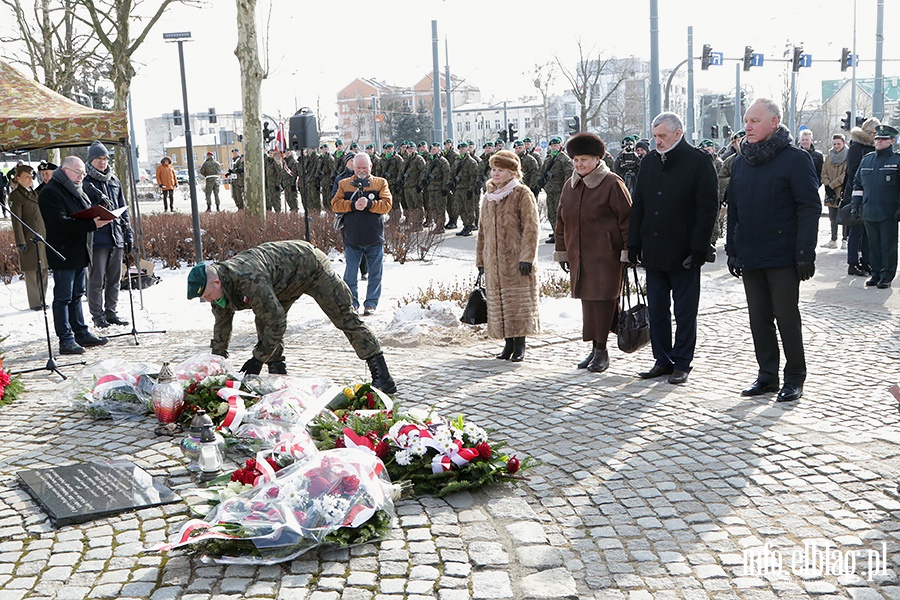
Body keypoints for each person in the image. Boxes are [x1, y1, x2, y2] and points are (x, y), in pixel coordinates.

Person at [186, 240, 396, 393]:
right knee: (263, 319)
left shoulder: (248, 278)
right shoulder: (219, 292)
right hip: (284, 282)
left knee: (345, 317)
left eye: (207, 295)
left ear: (216, 283)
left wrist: (257, 359)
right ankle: (279, 377)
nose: (208, 300)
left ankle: (382, 375)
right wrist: (216, 364)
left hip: (312, 267)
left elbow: (277, 322)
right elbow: (222, 327)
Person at [726, 98, 820, 403]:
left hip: (783, 254)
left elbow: (809, 206)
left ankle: (795, 377)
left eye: (754, 120)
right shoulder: (741, 161)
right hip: (751, 253)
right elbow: (735, 209)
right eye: (746, 120)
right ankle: (767, 376)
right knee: (758, 318)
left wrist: (805, 253)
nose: (748, 126)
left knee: (786, 316)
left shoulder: (794, 158)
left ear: (774, 122)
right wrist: (732, 249)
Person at [628, 112, 718, 385]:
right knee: (657, 310)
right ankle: (662, 359)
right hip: (654, 250)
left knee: (685, 311)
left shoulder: (699, 162)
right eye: (655, 136)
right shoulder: (650, 162)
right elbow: (639, 204)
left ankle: (682, 363)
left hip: (684, 252)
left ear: (678, 133)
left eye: (663, 136)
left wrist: (699, 249)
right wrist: (633, 243)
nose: (658, 142)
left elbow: (707, 209)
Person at [553, 133, 632, 373]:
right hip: (580, 255)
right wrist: (562, 251)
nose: (579, 165)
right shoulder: (570, 185)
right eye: (576, 160)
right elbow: (561, 220)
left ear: (598, 159)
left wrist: (629, 251)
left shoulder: (611, 183)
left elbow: (628, 219)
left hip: (606, 255)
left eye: (584, 159)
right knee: (588, 303)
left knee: (604, 301)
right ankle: (595, 348)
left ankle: (602, 351)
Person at [38, 156, 111, 355]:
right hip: (63, 252)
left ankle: (80, 332)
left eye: (83, 173)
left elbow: (81, 213)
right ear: (64, 170)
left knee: (77, 295)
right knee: (63, 297)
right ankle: (66, 339)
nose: (81, 177)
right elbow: (59, 223)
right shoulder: (50, 191)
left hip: (79, 251)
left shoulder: (75, 188)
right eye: (77, 173)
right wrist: (91, 224)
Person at [475, 150, 540, 362]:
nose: (495, 173)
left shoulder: (522, 193)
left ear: (512, 172)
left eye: (500, 170)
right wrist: (481, 260)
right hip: (493, 262)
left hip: (516, 261)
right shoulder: (489, 196)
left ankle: (520, 344)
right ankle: (508, 344)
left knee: (517, 303)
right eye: (493, 169)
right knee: (500, 303)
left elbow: (532, 228)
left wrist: (527, 258)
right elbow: (482, 231)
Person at [331, 153, 392, 316]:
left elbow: (387, 205)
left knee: (375, 274)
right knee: (350, 274)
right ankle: (352, 303)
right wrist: (351, 205)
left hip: (374, 237)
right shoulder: (344, 184)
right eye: (358, 168)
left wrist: (370, 203)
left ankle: (371, 303)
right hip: (352, 238)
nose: (362, 171)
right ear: (353, 167)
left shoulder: (380, 183)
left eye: (365, 167)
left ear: (371, 167)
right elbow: (335, 205)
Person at [83, 140, 133, 329]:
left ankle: (111, 312)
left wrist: (128, 233)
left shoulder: (114, 180)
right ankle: (97, 316)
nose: (102, 162)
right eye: (98, 159)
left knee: (114, 278)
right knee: (96, 279)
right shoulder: (86, 183)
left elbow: (123, 207)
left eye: (104, 158)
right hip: (97, 238)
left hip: (116, 235)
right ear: (91, 161)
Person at [850, 124, 900, 289]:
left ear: (892, 141)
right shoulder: (867, 160)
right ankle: (876, 273)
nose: (879, 141)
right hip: (869, 211)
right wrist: (856, 205)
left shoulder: (896, 161)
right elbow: (857, 184)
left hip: (888, 212)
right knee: (873, 246)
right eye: (877, 138)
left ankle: (887, 276)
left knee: (888, 246)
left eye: (883, 139)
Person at [9, 165, 49, 310]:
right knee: (32, 271)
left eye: (31, 176)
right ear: (18, 178)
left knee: (43, 269)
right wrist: (20, 241)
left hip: (41, 237)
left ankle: (43, 299)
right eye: (26, 176)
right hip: (28, 238)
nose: (30, 179)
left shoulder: (33, 193)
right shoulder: (16, 196)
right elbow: (16, 221)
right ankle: (35, 302)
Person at [843, 117, 878, 274]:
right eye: (876, 132)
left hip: (870, 194)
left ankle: (866, 261)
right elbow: (853, 173)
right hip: (858, 194)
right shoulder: (856, 148)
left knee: (867, 230)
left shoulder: (871, 148)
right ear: (869, 132)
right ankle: (852, 263)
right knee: (856, 231)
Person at [538, 136, 573, 244]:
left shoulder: (564, 158)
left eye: (556, 145)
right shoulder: (548, 158)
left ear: (560, 146)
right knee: (551, 213)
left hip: (560, 190)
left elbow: (569, 173)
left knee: (560, 213)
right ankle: (555, 233)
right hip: (550, 190)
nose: (554, 147)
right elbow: (542, 171)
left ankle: (562, 235)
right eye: (552, 146)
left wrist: (566, 188)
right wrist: (541, 182)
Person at [713, 130, 746, 244]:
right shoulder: (729, 160)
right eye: (738, 141)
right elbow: (721, 178)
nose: (741, 143)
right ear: (734, 143)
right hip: (734, 198)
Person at [820, 134, 848, 250]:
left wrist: (832, 185)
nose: (836, 146)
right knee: (832, 216)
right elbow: (824, 170)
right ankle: (833, 239)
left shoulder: (848, 155)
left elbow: (845, 174)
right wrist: (826, 184)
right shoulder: (829, 155)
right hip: (830, 190)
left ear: (844, 143)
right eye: (834, 144)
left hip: (841, 190)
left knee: (844, 216)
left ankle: (845, 239)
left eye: (838, 144)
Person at [454, 142, 480, 237]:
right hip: (458, 188)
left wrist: (471, 189)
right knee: (460, 208)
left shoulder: (471, 162)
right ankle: (465, 225)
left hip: (467, 188)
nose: (462, 150)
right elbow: (453, 173)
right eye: (460, 149)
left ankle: (469, 226)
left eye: (463, 148)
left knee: (469, 208)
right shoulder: (457, 161)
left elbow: (473, 177)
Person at [424, 142, 451, 233]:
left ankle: (440, 226)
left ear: (439, 150)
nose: (433, 151)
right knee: (432, 207)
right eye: (431, 149)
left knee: (440, 207)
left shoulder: (442, 161)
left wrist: (445, 188)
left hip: (439, 188)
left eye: (435, 149)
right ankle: (437, 223)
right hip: (431, 188)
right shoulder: (429, 161)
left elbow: (447, 174)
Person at [400, 142, 426, 229]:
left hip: (415, 186)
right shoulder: (406, 159)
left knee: (417, 206)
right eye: (408, 149)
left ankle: (419, 224)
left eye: (411, 148)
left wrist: (420, 184)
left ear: (415, 149)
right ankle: (414, 223)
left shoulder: (419, 159)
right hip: (407, 186)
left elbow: (423, 171)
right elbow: (402, 172)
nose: (410, 150)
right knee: (410, 206)